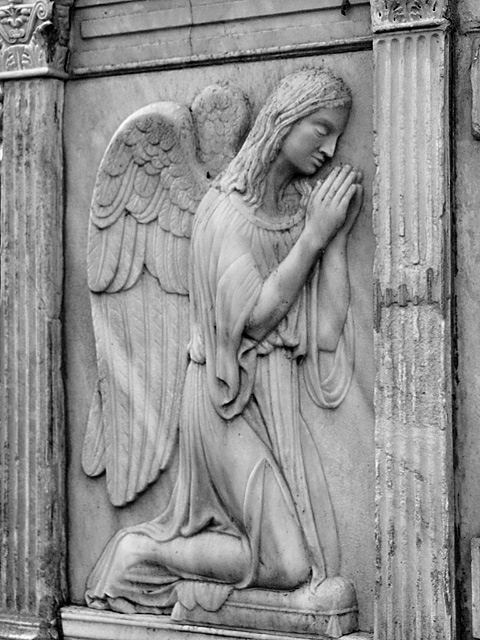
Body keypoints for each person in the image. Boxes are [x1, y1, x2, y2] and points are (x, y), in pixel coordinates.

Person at [85, 68, 363, 616]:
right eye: (321, 129)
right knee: (289, 566)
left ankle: (208, 595)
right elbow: (254, 319)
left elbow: (327, 329)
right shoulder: (224, 210)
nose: (330, 150)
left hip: (276, 399)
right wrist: (314, 236)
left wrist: (335, 238)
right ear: (284, 121)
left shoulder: (299, 206)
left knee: (313, 562)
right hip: (225, 402)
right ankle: (137, 554)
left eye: (336, 136)